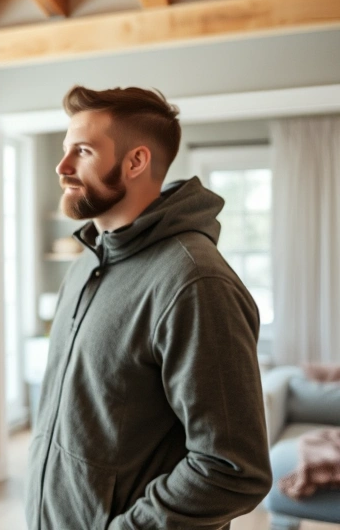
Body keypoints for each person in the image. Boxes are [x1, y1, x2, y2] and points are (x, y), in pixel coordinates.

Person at [25, 86, 272, 529]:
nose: (61, 168)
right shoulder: (85, 264)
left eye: (82, 151)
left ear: (136, 161)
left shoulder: (194, 281)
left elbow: (233, 470)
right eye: (65, 150)